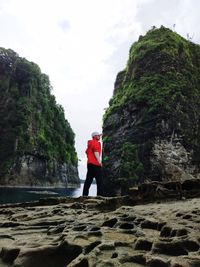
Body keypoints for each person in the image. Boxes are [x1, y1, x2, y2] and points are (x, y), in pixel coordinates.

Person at [82, 132, 102, 196]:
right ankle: (99, 197)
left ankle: (84, 196)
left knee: (88, 181)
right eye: (98, 136)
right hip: (96, 164)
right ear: (95, 136)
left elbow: (88, 152)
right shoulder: (96, 143)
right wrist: (99, 162)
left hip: (89, 164)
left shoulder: (90, 144)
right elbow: (96, 152)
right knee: (99, 181)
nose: (99, 137)